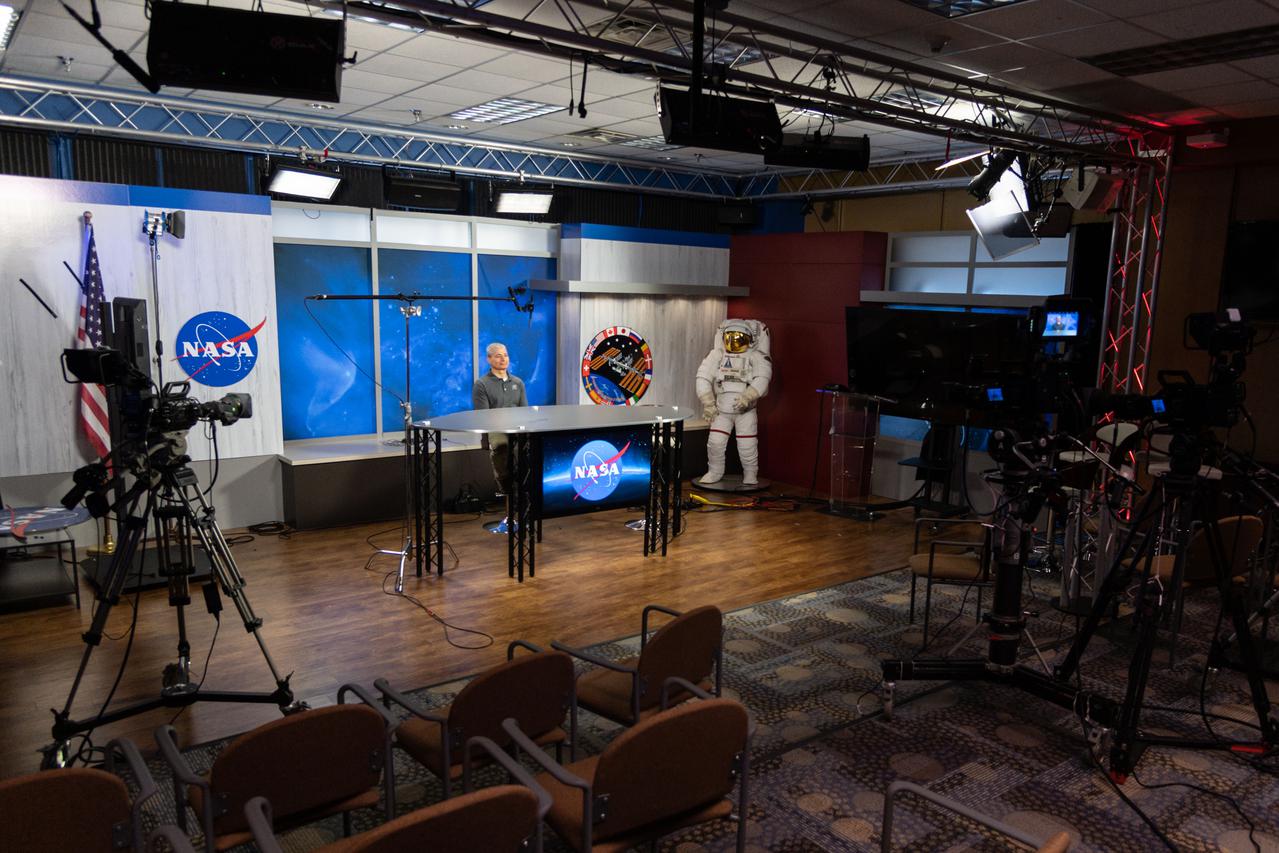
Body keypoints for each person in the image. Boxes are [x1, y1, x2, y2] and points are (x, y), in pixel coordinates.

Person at [696, 319, 772, 487]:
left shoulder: (756, 356)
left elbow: (763, 377)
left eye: (739, 338)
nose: (733, 342)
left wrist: (749, 395)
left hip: (746, 411)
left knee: (747, 445)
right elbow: (702, 376)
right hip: (720, 410)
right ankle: (715, 471)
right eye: (729, 338)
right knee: (715, 443)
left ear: (750, 340)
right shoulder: (717, 355)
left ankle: (750, 474)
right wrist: (708, 402)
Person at [472, 341, 527, 496]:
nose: (503, 359)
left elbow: (525, 412)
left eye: (506, 355)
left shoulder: (518, 382)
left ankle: (526, 493)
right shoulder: (481, 384)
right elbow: (482, 416)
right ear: (489, 359)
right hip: (496, 429)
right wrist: (485, 439)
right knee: (501, 446)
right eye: (498, 356)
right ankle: (508, 491)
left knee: (531, 448)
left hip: (518, 428)